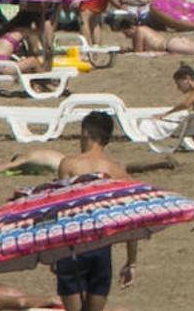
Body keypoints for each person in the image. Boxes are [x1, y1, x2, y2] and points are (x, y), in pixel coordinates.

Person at [54, 112, 137, 311]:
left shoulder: (69, 164)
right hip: (101, 247)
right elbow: (132, 218)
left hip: (72, 245)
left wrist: (53, 252)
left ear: (85, 133)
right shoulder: (117, 171)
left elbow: (59, 209)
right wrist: (131, 262)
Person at [121, 24, 194, 56]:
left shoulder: (139, 32)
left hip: (171, 45)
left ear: (131, 27)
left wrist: (128, 51)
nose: (127, 36)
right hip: (174, 42)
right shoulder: (144, 28)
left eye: (126, 33)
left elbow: (138, 52)